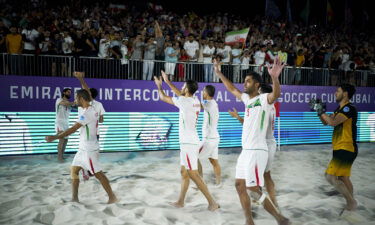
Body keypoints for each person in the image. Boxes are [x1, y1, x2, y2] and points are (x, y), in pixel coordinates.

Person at [213, 57, 289, 225]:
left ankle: (280, 219)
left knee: (253, 190)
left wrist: (275, 77)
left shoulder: (263, 100)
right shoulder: (248, 100)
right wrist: (219, 73)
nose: (244, 84)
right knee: (239, 185)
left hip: (257, 150)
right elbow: (232, 89)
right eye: (244, 81)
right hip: (246, 151)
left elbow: (276, 94)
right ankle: (249, 221)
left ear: (257, 85)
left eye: (248, 81)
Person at [154, 71, 219, 211]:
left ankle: (212, 202)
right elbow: (180, 94)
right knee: (184, 173)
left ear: (187, 90)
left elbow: (163, 97)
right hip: (190, 141)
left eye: (183, 86)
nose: (181, 88)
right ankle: (181, 201)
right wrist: (167, 82)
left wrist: (160, 85)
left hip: (188, 143)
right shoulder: (195, 100)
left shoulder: (184, 101)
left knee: (193, 174)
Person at [45, 89, 117, 204]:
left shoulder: (87, 113)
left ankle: (112, 197)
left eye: (76, 98)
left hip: (89, 150)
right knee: (74, 170)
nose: (75, 100)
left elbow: (73, 129)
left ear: (82, 99)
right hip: (83, 149)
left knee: (99, 174)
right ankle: (74, 199)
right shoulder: (89, 110)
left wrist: (54, 137)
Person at [228, 83, 279, 208]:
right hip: (269, 142)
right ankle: (272, 202)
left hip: (263, 143)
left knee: (262, 177)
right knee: (265, 175)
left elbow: (254, 127)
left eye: (259, 91)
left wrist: (238, 117)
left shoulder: (264, 105)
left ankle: (269, 203)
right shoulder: (271, 107)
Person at [315, 83, 358, 213]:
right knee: (343, 177)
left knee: (330, 176)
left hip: (346, 147)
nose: (335, 93)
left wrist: (322, 111)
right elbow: (326, 122)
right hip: (342, 147)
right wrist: (318, 110)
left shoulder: (348, 109)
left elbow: (333, 122)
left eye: (338, 91)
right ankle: (351, 202)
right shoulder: (339, 109)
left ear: (345, 94)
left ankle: (351, 202)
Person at [197, 85, 221, 186]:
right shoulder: (213, 103)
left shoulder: (209, 104)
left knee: (194, 156)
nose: (202, 93)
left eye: (203, 91)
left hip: (209, 139)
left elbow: (197, 105)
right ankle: (218, 183)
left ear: (206, 93)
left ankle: (200, 182)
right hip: (215, 138)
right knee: (214, 161)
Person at [55, 88, 75, 162]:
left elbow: (76, 107)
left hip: (66, 123)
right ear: (64, 92)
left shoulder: (69, 103)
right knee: (61, 140)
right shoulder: (59, 100)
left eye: (70, 92)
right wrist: (75, 102)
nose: (69, 93)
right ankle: (59, 158)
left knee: (66, 140)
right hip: (59, 122)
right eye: (68, 92)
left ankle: (62, 156)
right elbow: (66, 103)